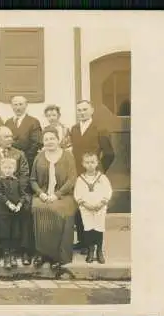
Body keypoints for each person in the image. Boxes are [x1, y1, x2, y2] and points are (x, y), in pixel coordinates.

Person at [70, 100, 115, 253]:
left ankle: (95, 245)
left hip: (93, 175)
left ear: (92, 110)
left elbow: (109, 153)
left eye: (84, 109)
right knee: (80, 207)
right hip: (77, 175)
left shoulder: (100, 128)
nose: (82, 112)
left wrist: (99, 171)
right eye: (79, 110)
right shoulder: (74, 129)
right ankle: (83, 241)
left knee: (95, 208)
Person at [30, 127, 78, 269]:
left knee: (58, 210)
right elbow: (32, 180)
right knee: (37, 208)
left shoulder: (68, 156)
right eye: (46, 139)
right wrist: (41, 193)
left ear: (58, 140)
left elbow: (71, 179)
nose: (49, 141)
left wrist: (56, 195)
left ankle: (58, 256)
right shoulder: (39, 156)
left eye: (52, 138)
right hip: (43, 195)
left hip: (63, 195)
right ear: (43, 142)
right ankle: (42, 253)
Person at [0, 126, 32, 266]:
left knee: (26, 210)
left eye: (11, 136)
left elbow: (24, 175)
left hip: (17, 192)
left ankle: (23, 250)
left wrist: (18, 195)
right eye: (7, 137)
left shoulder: (19, 154)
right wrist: (1, 190)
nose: (10, 139)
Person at [74, 152, 113, 264]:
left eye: (92, 162)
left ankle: (99, 251)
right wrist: (85, 204)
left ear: (97, 163)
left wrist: (101, 203)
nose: (90, 165)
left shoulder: (102, 178)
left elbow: (108, 191)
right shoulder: (80, 179)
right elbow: (77, 194)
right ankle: (91, 251)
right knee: (89, 228)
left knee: (98, 228)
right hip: (86, 208)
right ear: (83, 164)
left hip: (99, 208)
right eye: (87, 162)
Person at [0, 158, 31, 269]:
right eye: (5, 168)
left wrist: (19, 205)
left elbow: (23, 195)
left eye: (10, 168)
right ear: (1, 168)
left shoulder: (17, 181)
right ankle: (6, 256)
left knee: (15, 233)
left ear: (14, 169)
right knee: (5, 233)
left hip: (15, 212)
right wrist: (9, 204)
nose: (8, 170)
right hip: (3, 211)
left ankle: (13, 255)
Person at [5, 95, 42, 169]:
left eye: (21, 104)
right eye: (15, 105)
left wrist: (24, 158)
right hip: (11, 161)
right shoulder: (8, 122)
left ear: (26, 105)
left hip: (28, 161)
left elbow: (36, 143)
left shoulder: (34, 121)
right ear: (12, 106)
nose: (18, 108)